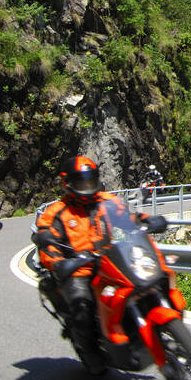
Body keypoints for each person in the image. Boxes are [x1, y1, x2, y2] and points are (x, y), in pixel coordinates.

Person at [34, 156, 131, 365]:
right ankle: (90, 352)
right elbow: (46, 240)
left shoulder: (107, 201)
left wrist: (147, 221)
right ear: (67, 183)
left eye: (90, 181)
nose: (87, 186)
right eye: (81, 182)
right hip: (79, 271)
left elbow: (128, 219)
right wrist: (57, 261)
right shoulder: (57, 212)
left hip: (110, 262)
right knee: (82, 307)